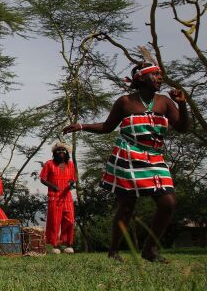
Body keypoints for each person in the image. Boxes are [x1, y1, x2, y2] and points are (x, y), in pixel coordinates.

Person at [63, 61, 189, 263]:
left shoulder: (164, 102)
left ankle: (150, 250)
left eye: (160, 74)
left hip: (154, 157)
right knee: (127, 205)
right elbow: (106, 126)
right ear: (141, 78)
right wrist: (81, 125)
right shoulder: (125, 102)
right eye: (155, 74)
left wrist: (182, 103)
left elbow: (183, 127)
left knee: (168, 202)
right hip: (128, 154)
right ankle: (113, 251)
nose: (160, 78)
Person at [40, 142, 77, 254]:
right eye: (58, 150)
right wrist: (52, 186)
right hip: (54, 197)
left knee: (70, 220)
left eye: (63, 150)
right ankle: (54, 245)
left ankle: (67, 244)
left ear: (67, 153)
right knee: (54, 221)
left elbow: (73, 179)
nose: (61, 152)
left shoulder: (70, 164)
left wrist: (71, 183)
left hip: (67, 196)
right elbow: (42, 179)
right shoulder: (49, 164)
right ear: (54, 153)